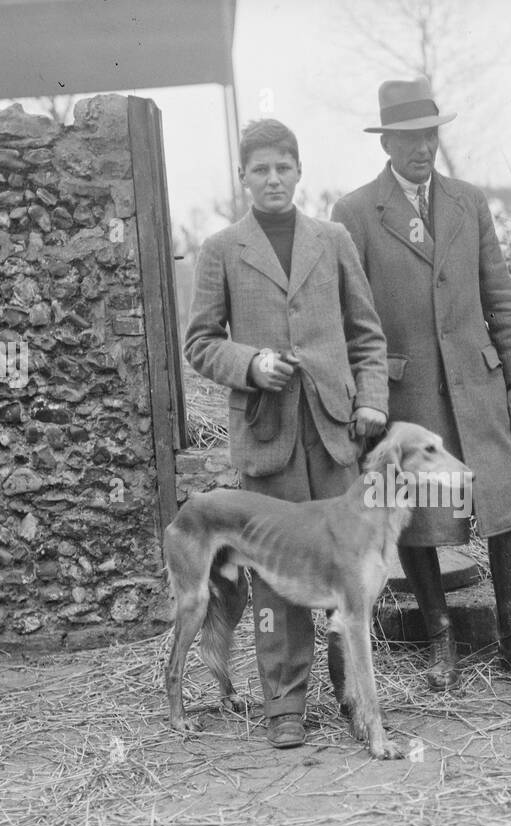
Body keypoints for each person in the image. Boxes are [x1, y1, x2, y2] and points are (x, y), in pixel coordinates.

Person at [332, 78, 511, 690]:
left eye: (430, 135)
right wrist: (367, 397)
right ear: (388, 143)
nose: (423, 149)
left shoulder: (467, 201)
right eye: (409, 139)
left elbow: (500, 294)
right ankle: (441, 642)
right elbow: (352, 316)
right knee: (419, 516)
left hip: (479, 383)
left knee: (504, 502)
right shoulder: (355, 212)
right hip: (407, 394)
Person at [185, 118, 389, 748]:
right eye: (259, 170)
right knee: (274, 572)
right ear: (243, 178)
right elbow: (199, 342)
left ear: (299, 172)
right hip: (267, 435)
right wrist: (250, 364)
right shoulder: (221, 249)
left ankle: (353, 695)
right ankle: (284, 704)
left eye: (283, 167)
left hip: (334, 432)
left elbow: (368, 335)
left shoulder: (331, 240)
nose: (273, 179)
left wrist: (372, 403)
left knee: (346, 567)